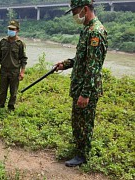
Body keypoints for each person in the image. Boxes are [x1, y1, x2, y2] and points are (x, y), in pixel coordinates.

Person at [56, 0, 108, 167]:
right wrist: (64, 64)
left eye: (75, 11)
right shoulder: (86, 29)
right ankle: (79, 149)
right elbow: (82, 59)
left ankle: (82, 155)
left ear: (85, 9)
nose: (74, 15)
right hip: (80, 85)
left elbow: (93, 67)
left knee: (84, 123)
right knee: (78, 121)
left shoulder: (95, 33)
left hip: (87, 88)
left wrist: (85, 94)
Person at [0, 20, 28, 111]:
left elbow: (23, 59)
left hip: (15, 71)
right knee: (2, 91)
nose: (10, 30)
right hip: (4, 70)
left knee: (13, 92)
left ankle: (11, 108)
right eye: (9, 29)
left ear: (17, 30)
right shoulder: (3, 42)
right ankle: (0, 107)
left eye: (12, 29)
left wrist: (22, 72)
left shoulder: (20, 44)